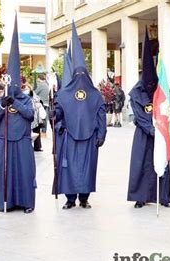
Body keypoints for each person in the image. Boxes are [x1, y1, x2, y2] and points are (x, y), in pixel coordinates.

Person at [52, 22, 107, 209]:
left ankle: (84, 198)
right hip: (70, 137)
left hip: (90, 138)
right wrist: (54, 114)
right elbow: (59, 112)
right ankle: (70, 199)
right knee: (69, 170)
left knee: (87, 169)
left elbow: (101, 115)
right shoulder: (64, 94)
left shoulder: (95, 94)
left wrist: (101, 135)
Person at [0, 16, 36, 213]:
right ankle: (7, 202)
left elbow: (29, 115)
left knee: (25, 173)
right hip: (5, 141)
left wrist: (16, 103)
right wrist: (3, 105)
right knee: (6, 172)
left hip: (22, 141)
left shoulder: (25, 99)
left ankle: (27, 203)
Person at [127, 29, 170, 209]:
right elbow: (139, 116)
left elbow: (166, 108)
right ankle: (141, 196)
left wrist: (162, 128)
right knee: (142, 165)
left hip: (160, 132)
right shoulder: (136, 93)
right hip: (144, 135)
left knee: (162, 162)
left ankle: (164, 197)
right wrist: (151, 129)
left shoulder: (159, 88)